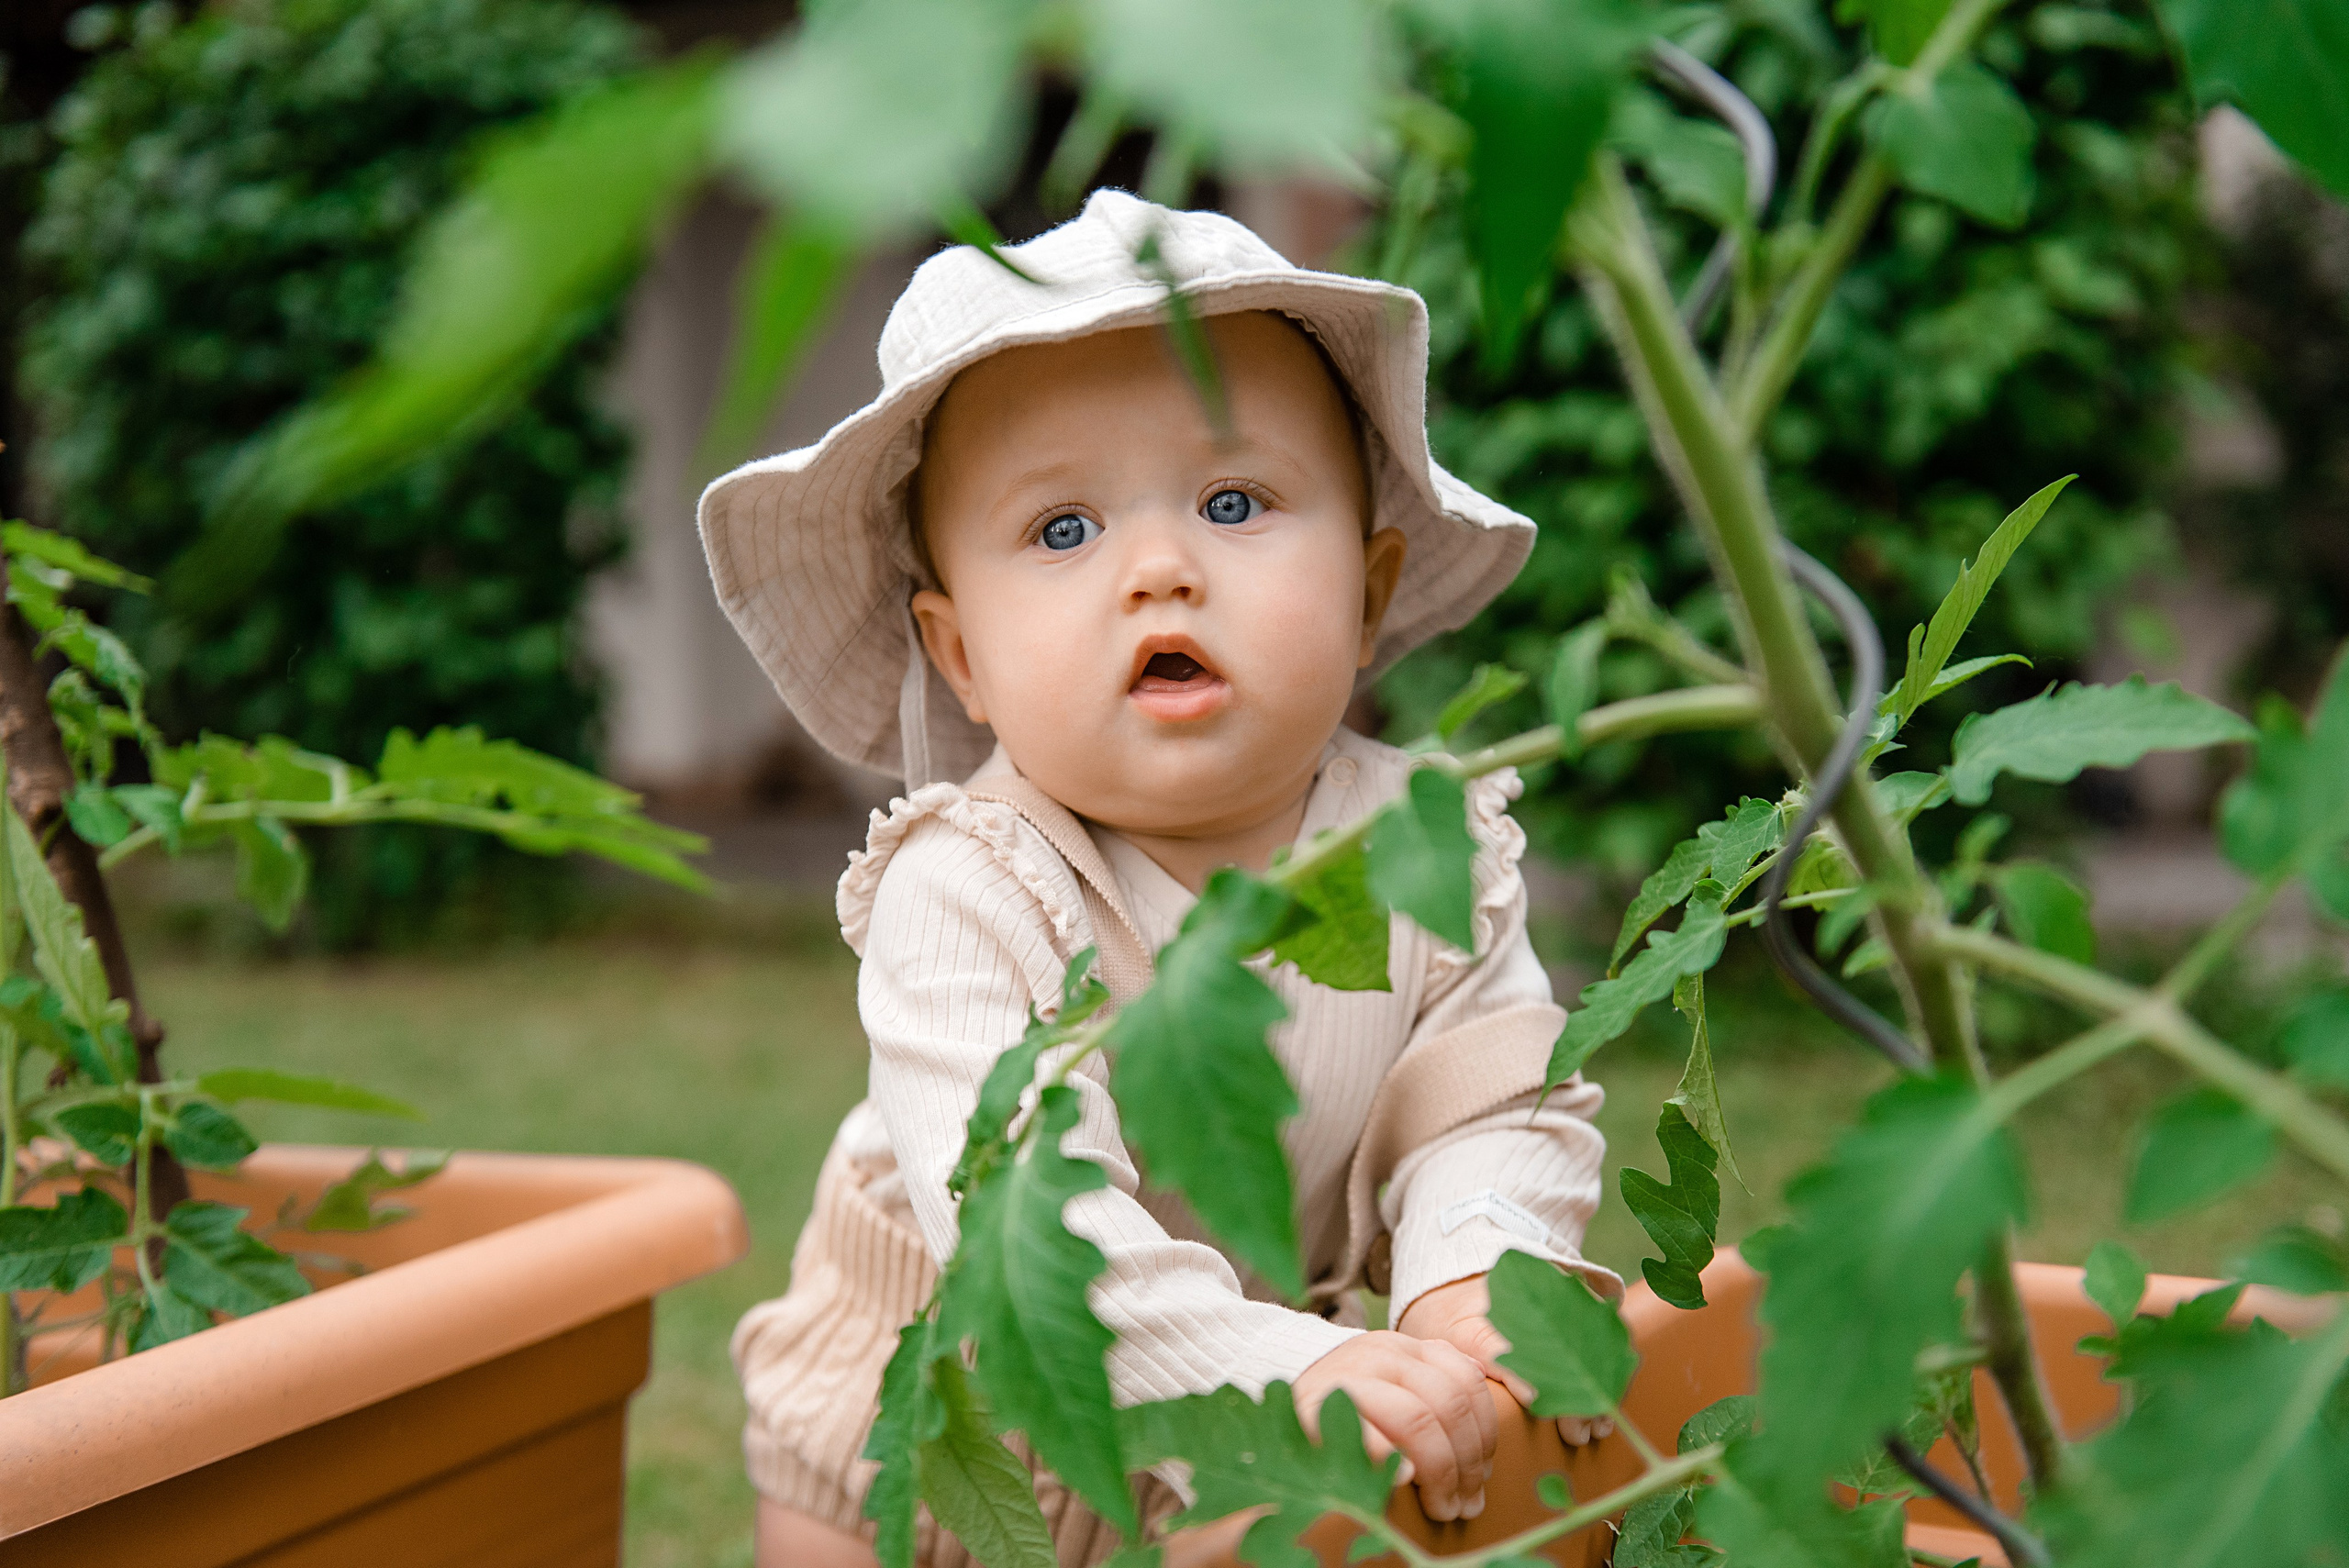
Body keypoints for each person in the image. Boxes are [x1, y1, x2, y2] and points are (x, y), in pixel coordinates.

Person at [703, 190, 1616, 1568]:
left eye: (1234, 501)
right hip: (944, 1428)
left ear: (1369, 595)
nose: (1161, 572)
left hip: (1247, 1402)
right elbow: (1033, 1234)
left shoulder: (1425, 848)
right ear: (960, 656)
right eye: (1062, 531)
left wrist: (1473, 1275)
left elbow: (1493, 1100)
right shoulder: (966, 890)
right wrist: (1275, 1367)